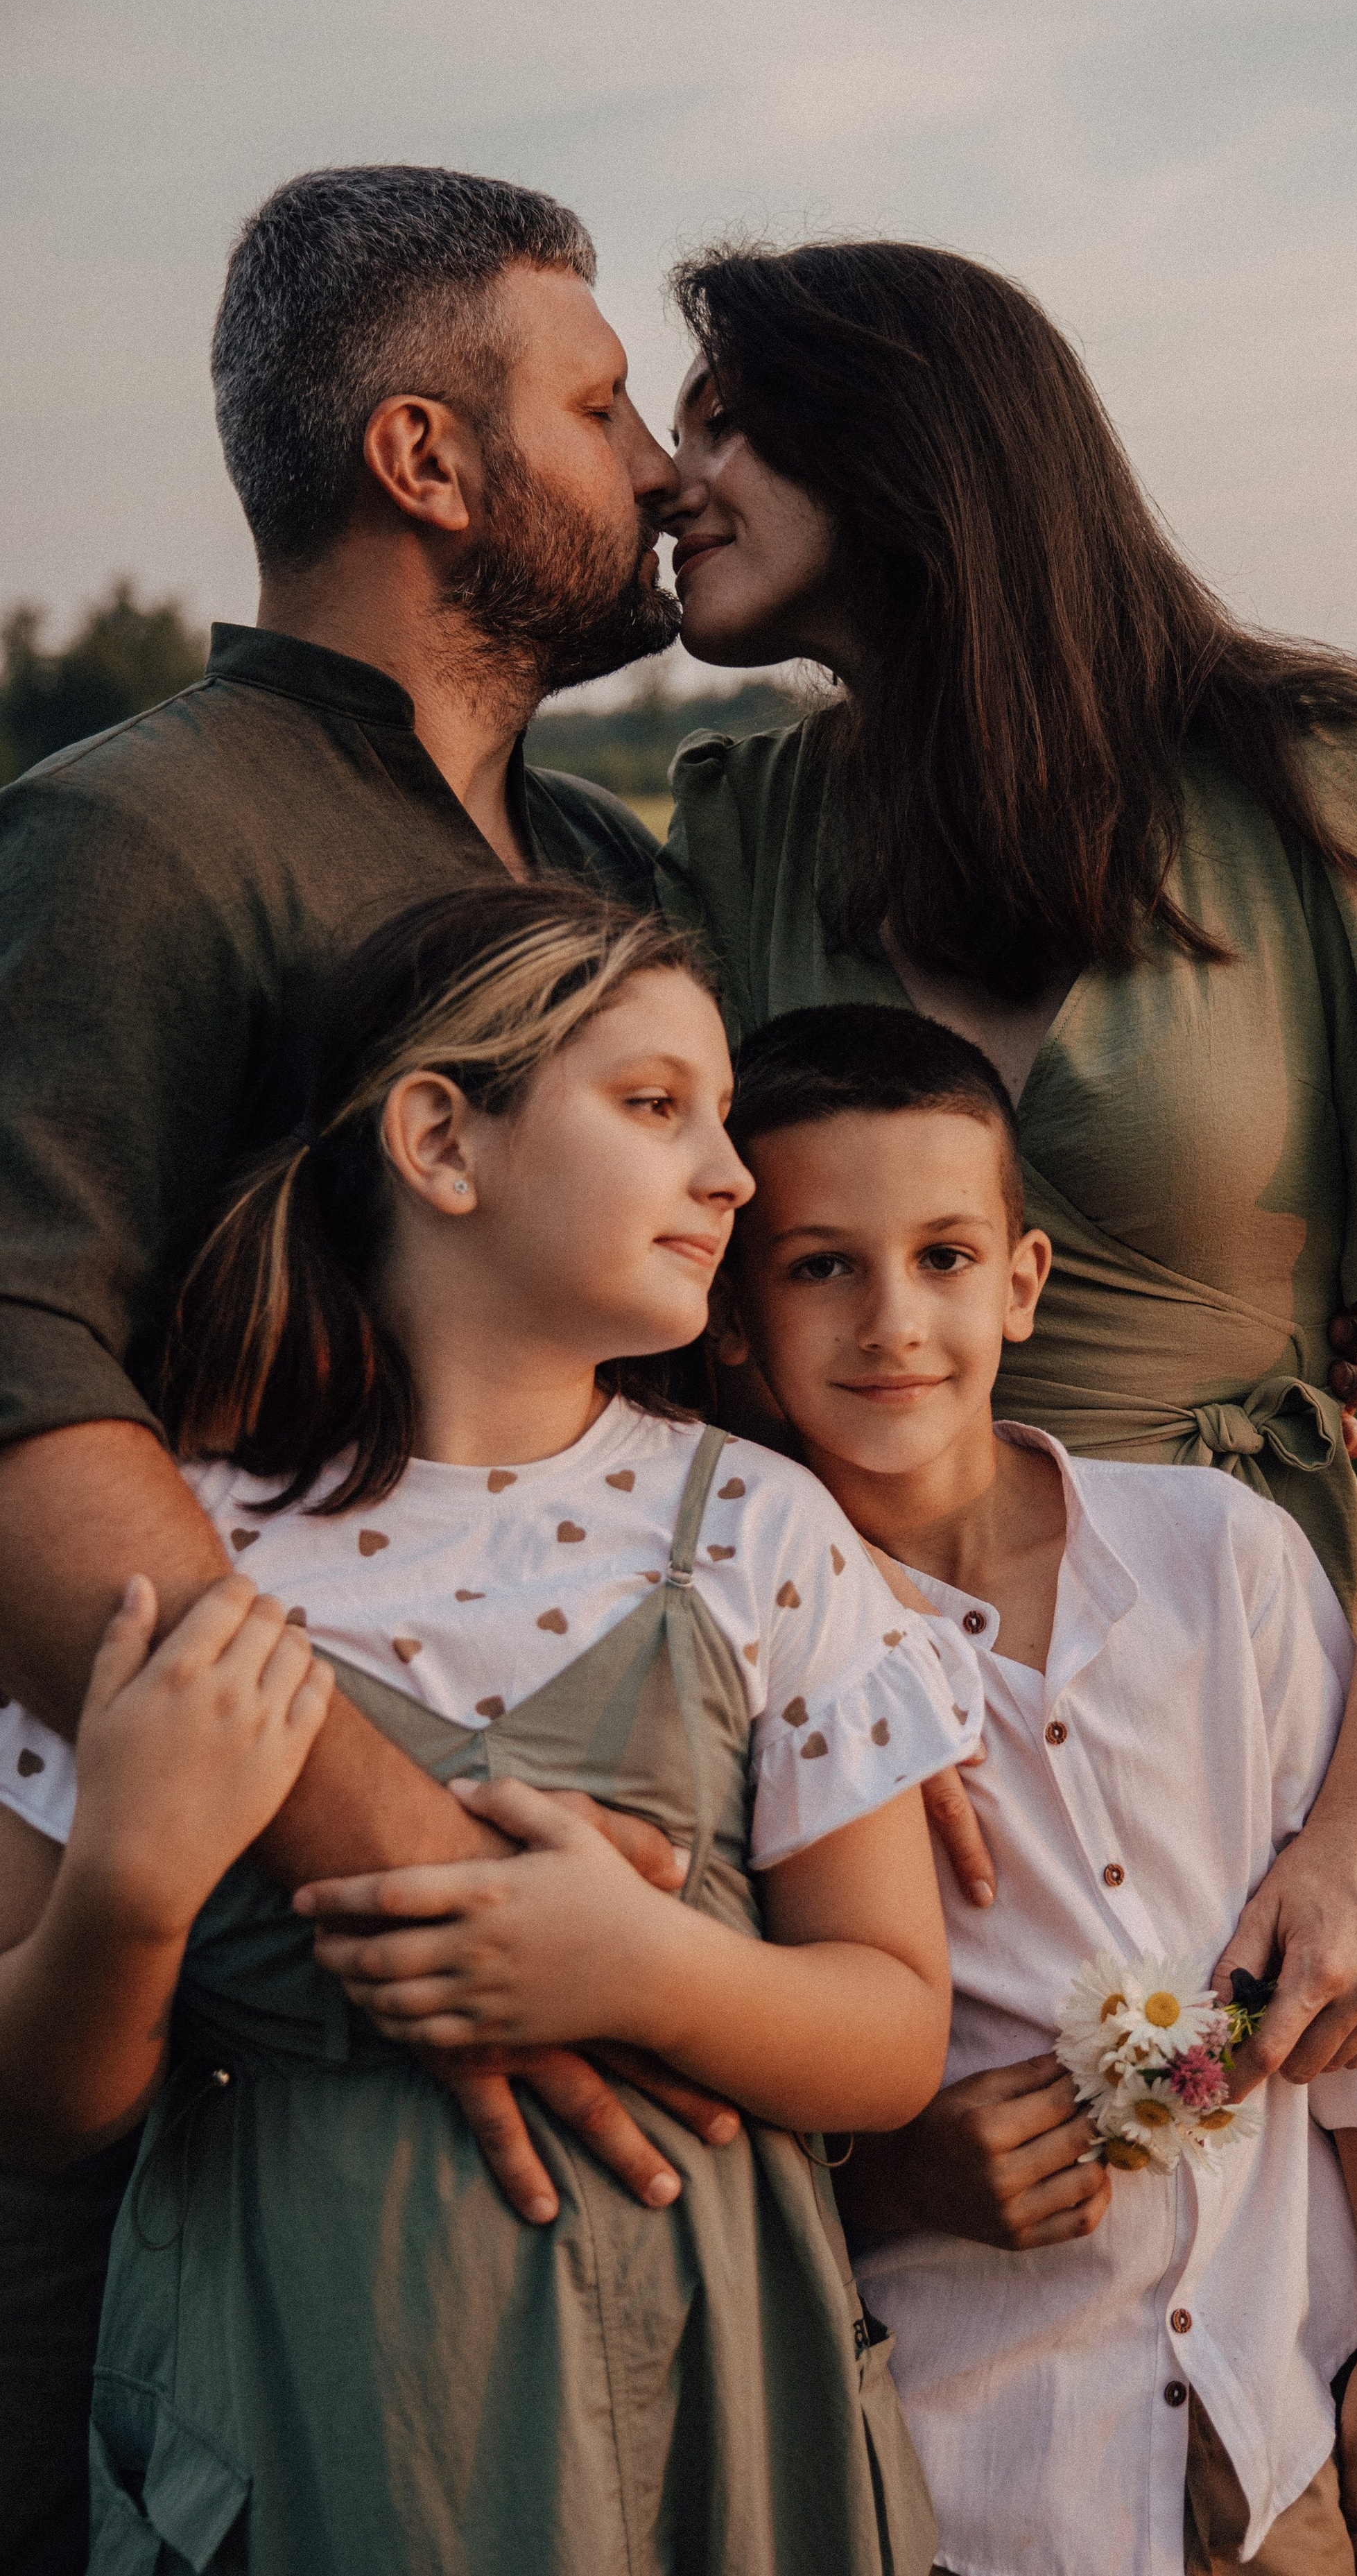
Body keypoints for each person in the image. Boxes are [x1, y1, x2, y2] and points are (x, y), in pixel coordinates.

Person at [654, 237, 1357, 2575]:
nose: (680, 473)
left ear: (912, 450)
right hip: (859, 1709)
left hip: (1242, 1671)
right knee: (963, 2361)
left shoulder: (1314, 782)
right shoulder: (743, 827)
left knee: (1348, 2350)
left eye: (735, 417)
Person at [0, 164, 709, 2570]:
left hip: (634, 2013)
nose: (663, 471)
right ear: (426, 460)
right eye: (602, 408)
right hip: (212, 2035)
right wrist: (436, 1903)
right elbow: (17, 1387)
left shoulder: (618, 865)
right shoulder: (129, 839)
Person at [0, 883, 977, 2576]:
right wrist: (133, 1894)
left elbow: (891, 2037)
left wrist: (642, 1966)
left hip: (707, 2404)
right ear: (442, 1141)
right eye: (657, 1106)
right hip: (318, 2414)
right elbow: (37, 2106)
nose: (732, 1178)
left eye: (724, 1120)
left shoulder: (755, 1529)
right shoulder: (179, 1552)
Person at [711, 1002, 1357, 2576]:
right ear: (734, 1321)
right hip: (971, 2472)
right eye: (818, 1266)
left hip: (1266, 2434)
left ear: (1023, 1280)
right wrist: (893, 2170)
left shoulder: (1222, 1557)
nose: (890, 1323)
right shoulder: (756, 1642)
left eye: (941, 1256)